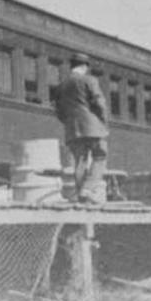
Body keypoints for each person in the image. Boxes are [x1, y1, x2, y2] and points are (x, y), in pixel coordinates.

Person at [54, 52, 109, 203]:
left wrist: (69, 123)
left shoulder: (61, 86)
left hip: (72, 130)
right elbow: (100, 103)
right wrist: (103, 122)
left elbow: (59, 112)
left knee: (80, 161)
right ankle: (88, 189)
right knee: (100, 156)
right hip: (93, 127)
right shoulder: (89, 80)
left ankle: (82, 196)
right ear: (84, 66)